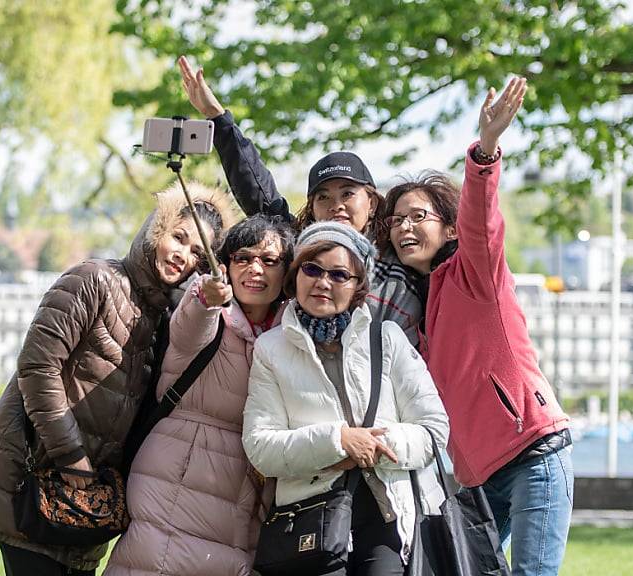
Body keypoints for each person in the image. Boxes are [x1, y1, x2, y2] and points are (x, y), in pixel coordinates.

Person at [0, 181, 236, 576]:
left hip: (86, 502)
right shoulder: (93, 279)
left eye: (197, 252)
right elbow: (38, 368)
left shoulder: (162, 318)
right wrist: (72, 457)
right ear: (157, 229)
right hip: (33, 479)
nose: (182, 255)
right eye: (178, 237)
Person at [375, 77, 573, 576]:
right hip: (477, 476)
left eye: (417, 216)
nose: (404, 227)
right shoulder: (411, 306)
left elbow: (481, 219)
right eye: (396, 220)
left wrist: (485, 150)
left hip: (532, 453)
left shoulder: (475, 273)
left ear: (448, 227)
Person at [242, 221, 449, 576]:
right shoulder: (270, 349)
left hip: (390, 516)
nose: (323, 283)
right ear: (295, 276)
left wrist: (375, 445)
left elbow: (433, 429)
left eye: (339, 275)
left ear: (357, 287)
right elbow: (260, 447)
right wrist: (337, 442)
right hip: (310, 521)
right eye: (312, 269)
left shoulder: (387, 338)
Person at [177, 55, 422, 346]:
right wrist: (218, 119)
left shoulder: (399, 260)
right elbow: (258, 191)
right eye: (323, 196)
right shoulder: (300, 251)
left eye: (347, 193)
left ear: (371, 202)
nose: (336, 204)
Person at [104, 215, 295, 576]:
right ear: (226, 265)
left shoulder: (290, 332)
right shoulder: (211, 311)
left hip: (246, 488)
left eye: (269, 260)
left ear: (286, 271)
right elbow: (191, 325)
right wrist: (207, 297)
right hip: (178, 472)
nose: (255, 269)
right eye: (243, 258)